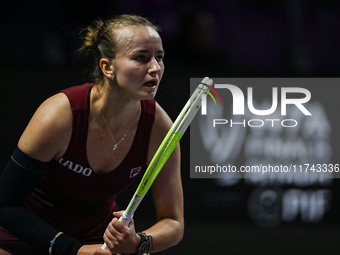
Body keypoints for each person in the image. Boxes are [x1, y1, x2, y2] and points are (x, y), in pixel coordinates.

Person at [0, 14, 184, 255]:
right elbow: (5, 206)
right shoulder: (59, 116)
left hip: (97, 240)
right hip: (29, 235)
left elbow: (174, 222)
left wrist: (139, 242)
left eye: (159, 57)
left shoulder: (159, 130)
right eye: (141, 58)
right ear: (107, 67)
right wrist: (75, 250)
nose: (155, 68)